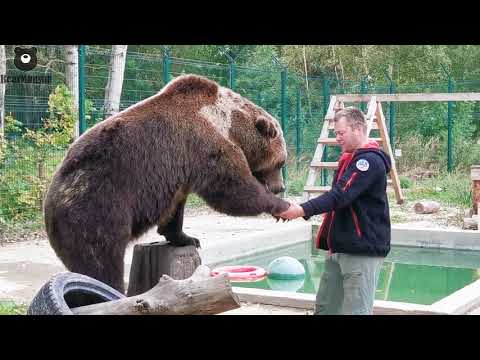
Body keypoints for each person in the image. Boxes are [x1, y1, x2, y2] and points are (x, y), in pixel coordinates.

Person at [276, 106, 391, 315]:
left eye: (341, 133)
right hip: (340, 248)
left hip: (362, 250)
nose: (337, 138)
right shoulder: (350, 159)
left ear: (357, 128)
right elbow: (338, 199)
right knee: (325, 308)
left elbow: (340, 196)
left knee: (356, 311)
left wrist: (300, 210)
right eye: (335, 133)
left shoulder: (368, 161)